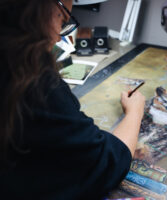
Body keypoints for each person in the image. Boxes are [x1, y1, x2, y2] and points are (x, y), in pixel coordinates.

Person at [0, 0, 145, 199]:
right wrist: (135, 112)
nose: (60, 35)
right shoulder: (33, 82)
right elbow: (107, 163)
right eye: (62, 18)